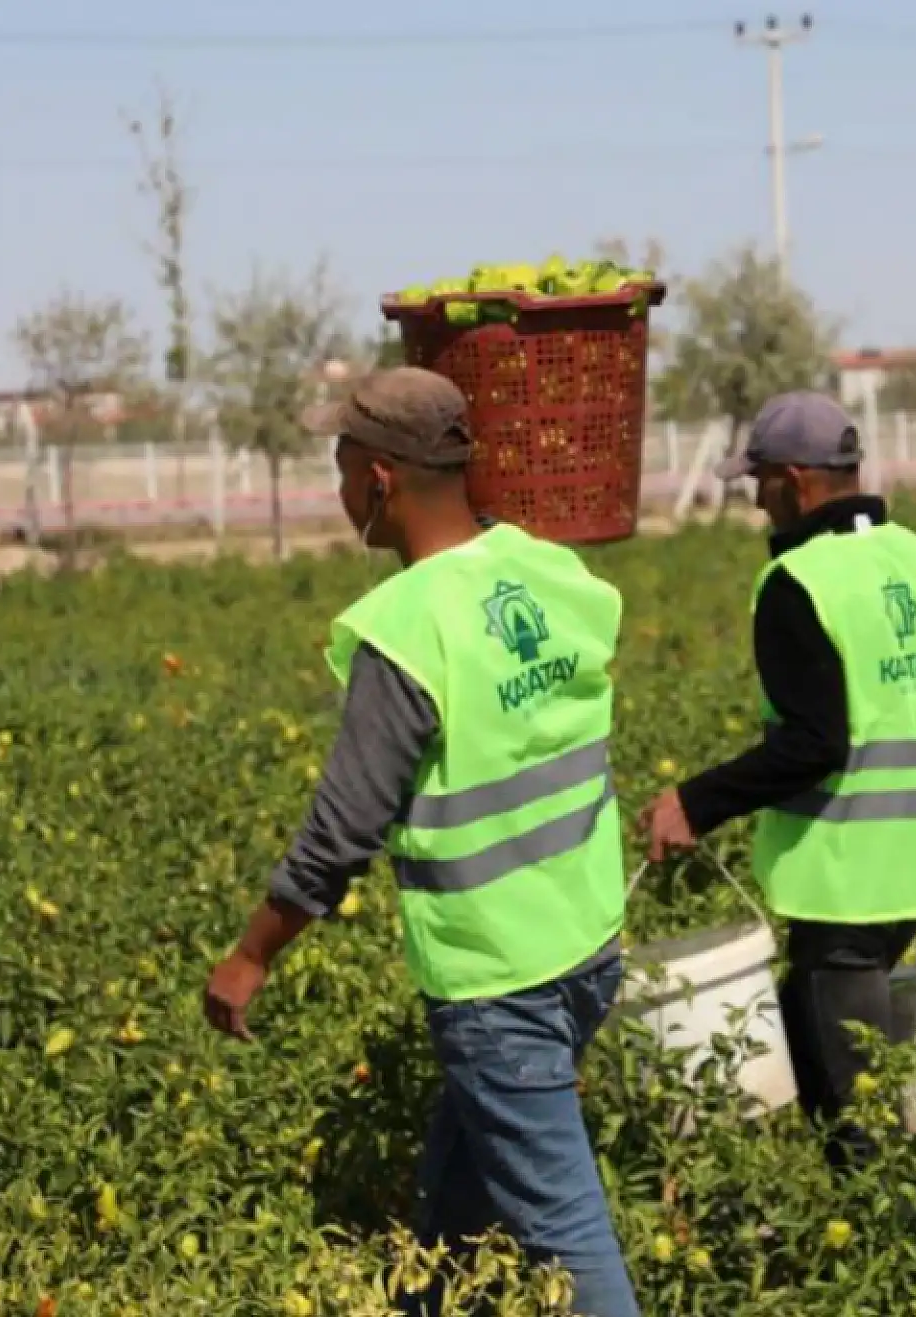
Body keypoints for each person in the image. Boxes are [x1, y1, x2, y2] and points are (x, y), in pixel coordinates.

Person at [202, 366, 640, 1317]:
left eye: (339, 463)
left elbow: (342, 829)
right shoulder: (545, 568)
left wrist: (249, 956)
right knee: (453, 1216)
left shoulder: (408, 628)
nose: (337, 485)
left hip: (499, 982)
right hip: (588, 948)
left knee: (568, 1238)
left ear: (378, 480)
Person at [638, 390, 916, 1171]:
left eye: (759, 482)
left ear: (796, 481)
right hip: (915, 876)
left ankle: (887, 1267)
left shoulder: (798, 583)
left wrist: (694, 803)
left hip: (839, 888)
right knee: (826, 1066)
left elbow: (814, 744)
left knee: (855, 1124)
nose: (756, 500)